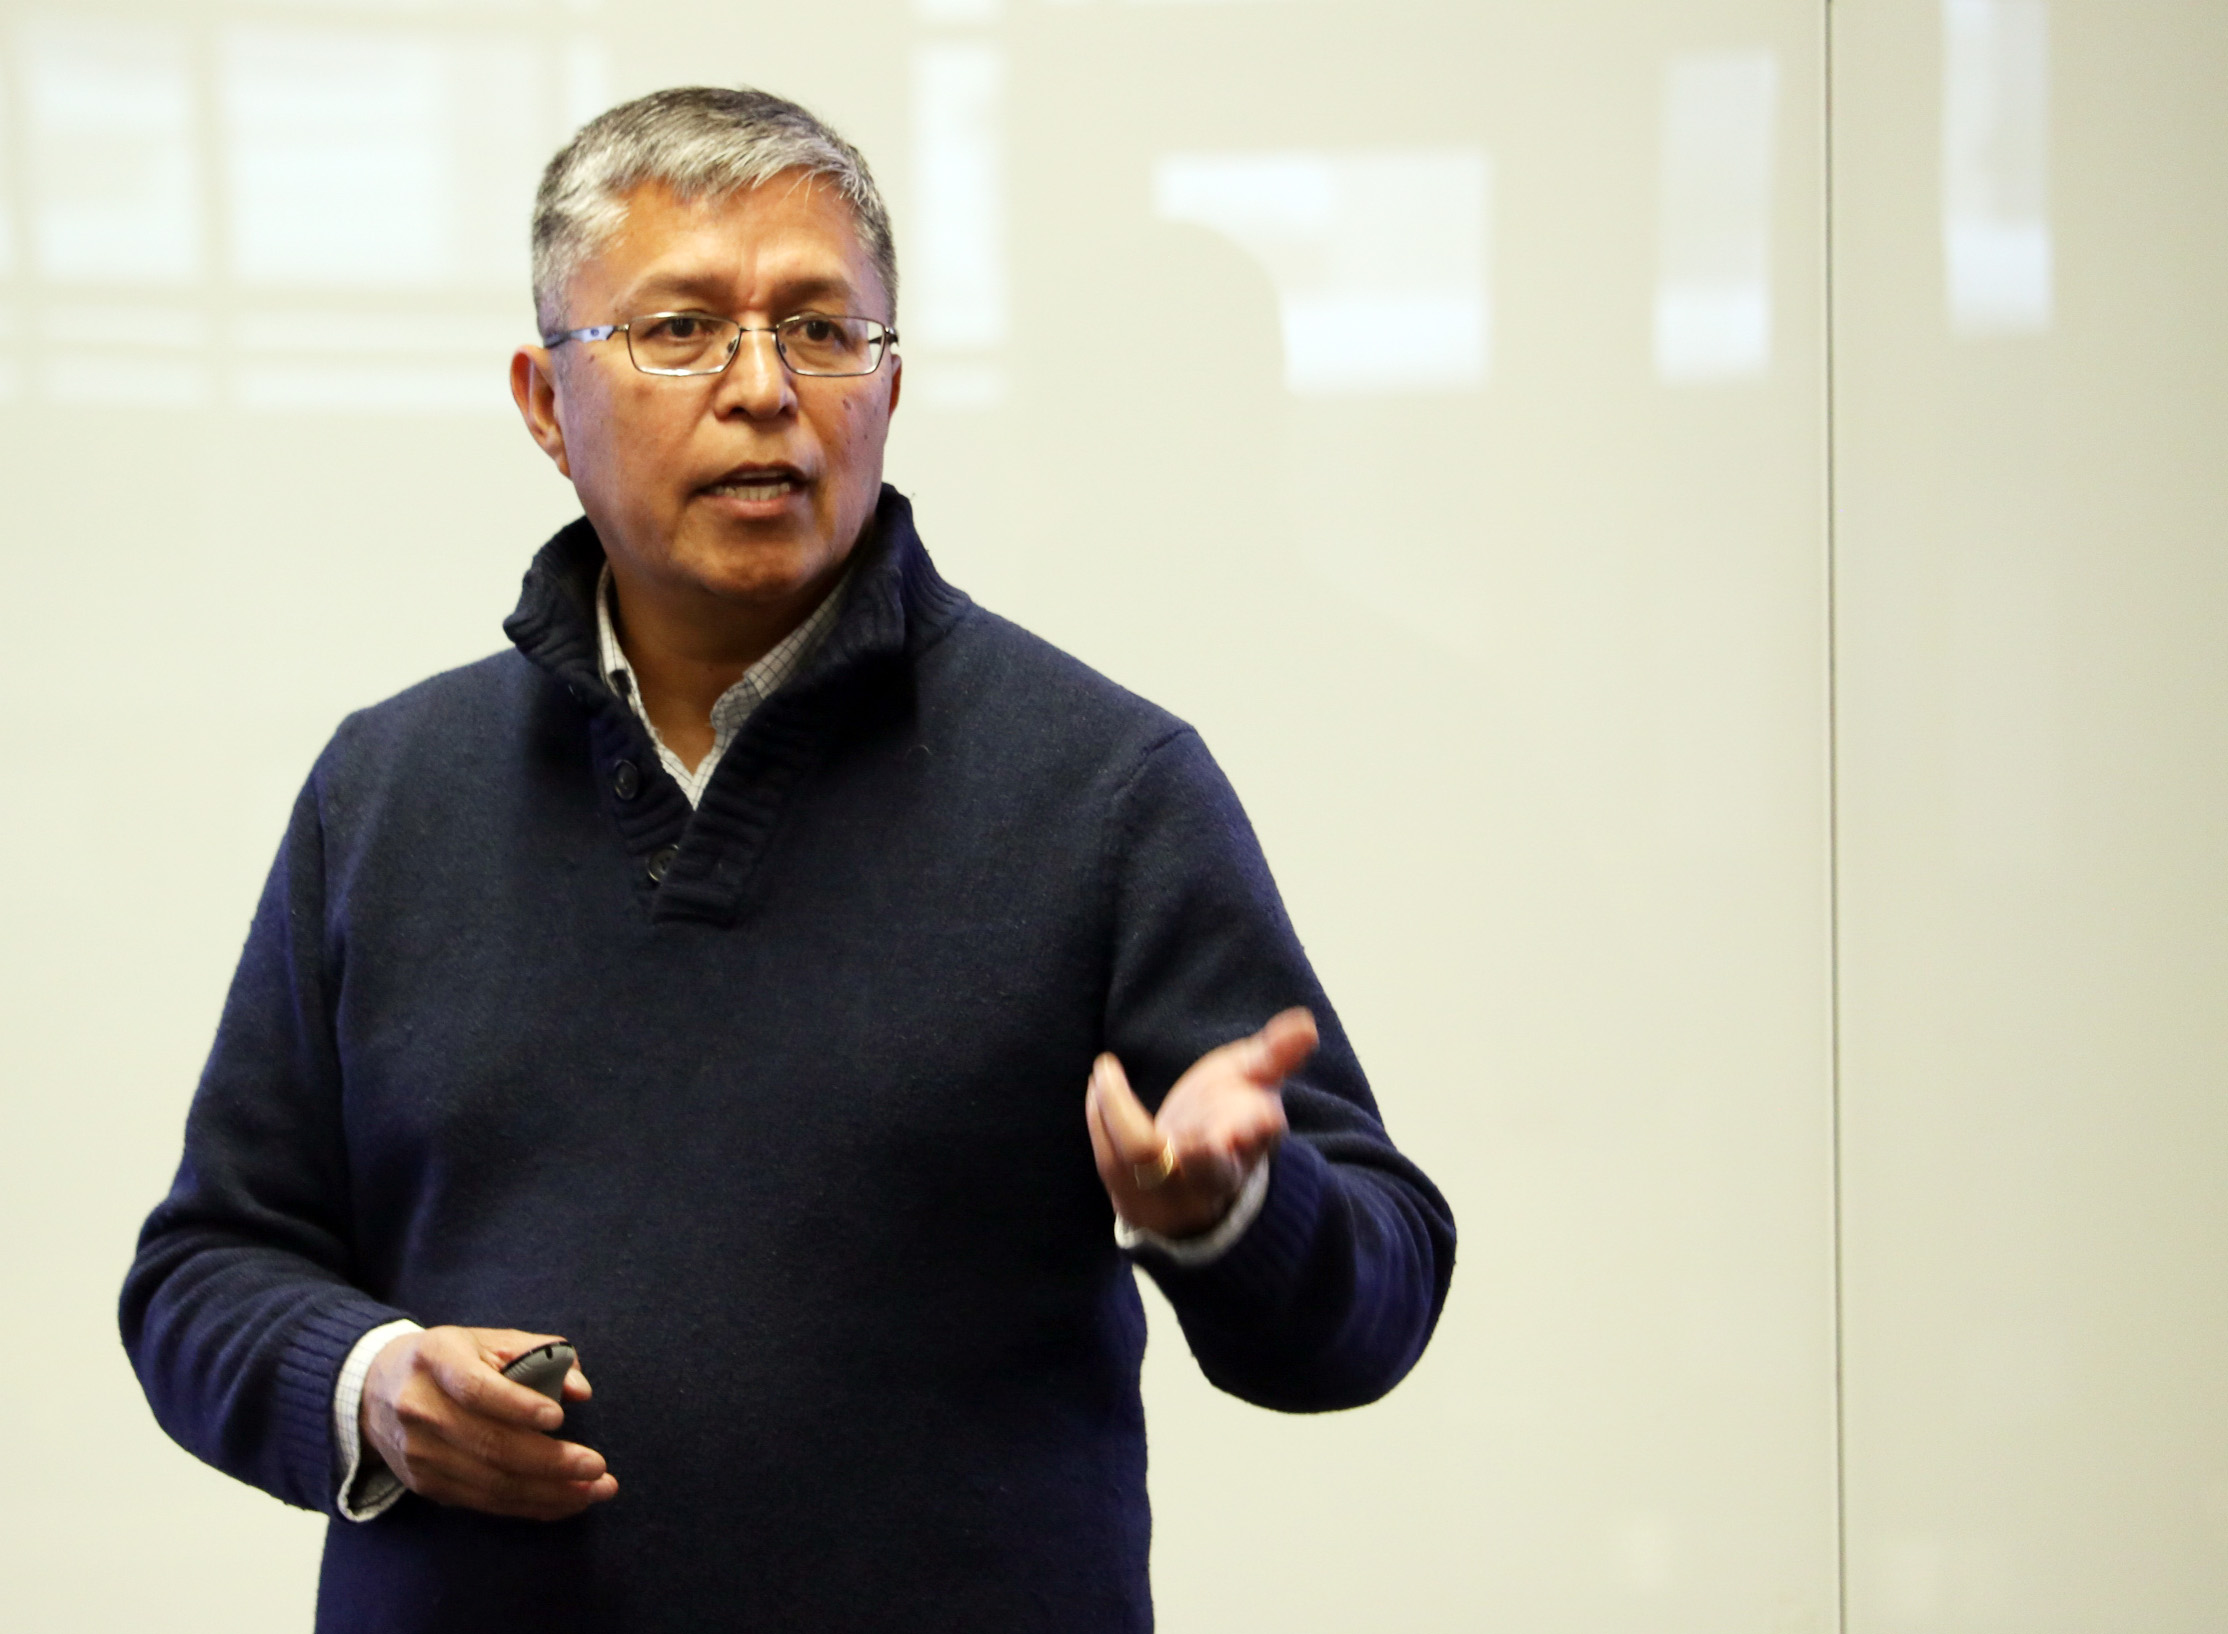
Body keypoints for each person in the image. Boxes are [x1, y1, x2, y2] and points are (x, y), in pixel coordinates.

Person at [120, 86, 1454, 1632]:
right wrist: (363, 1386)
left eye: (821, 330)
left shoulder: (1105, 787)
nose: (762, 387)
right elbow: (206, 1267)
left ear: (889, 387)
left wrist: (1230, 1208)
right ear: (545, 402)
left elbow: (1376, 1294)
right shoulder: (385, 790)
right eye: (680, 330)